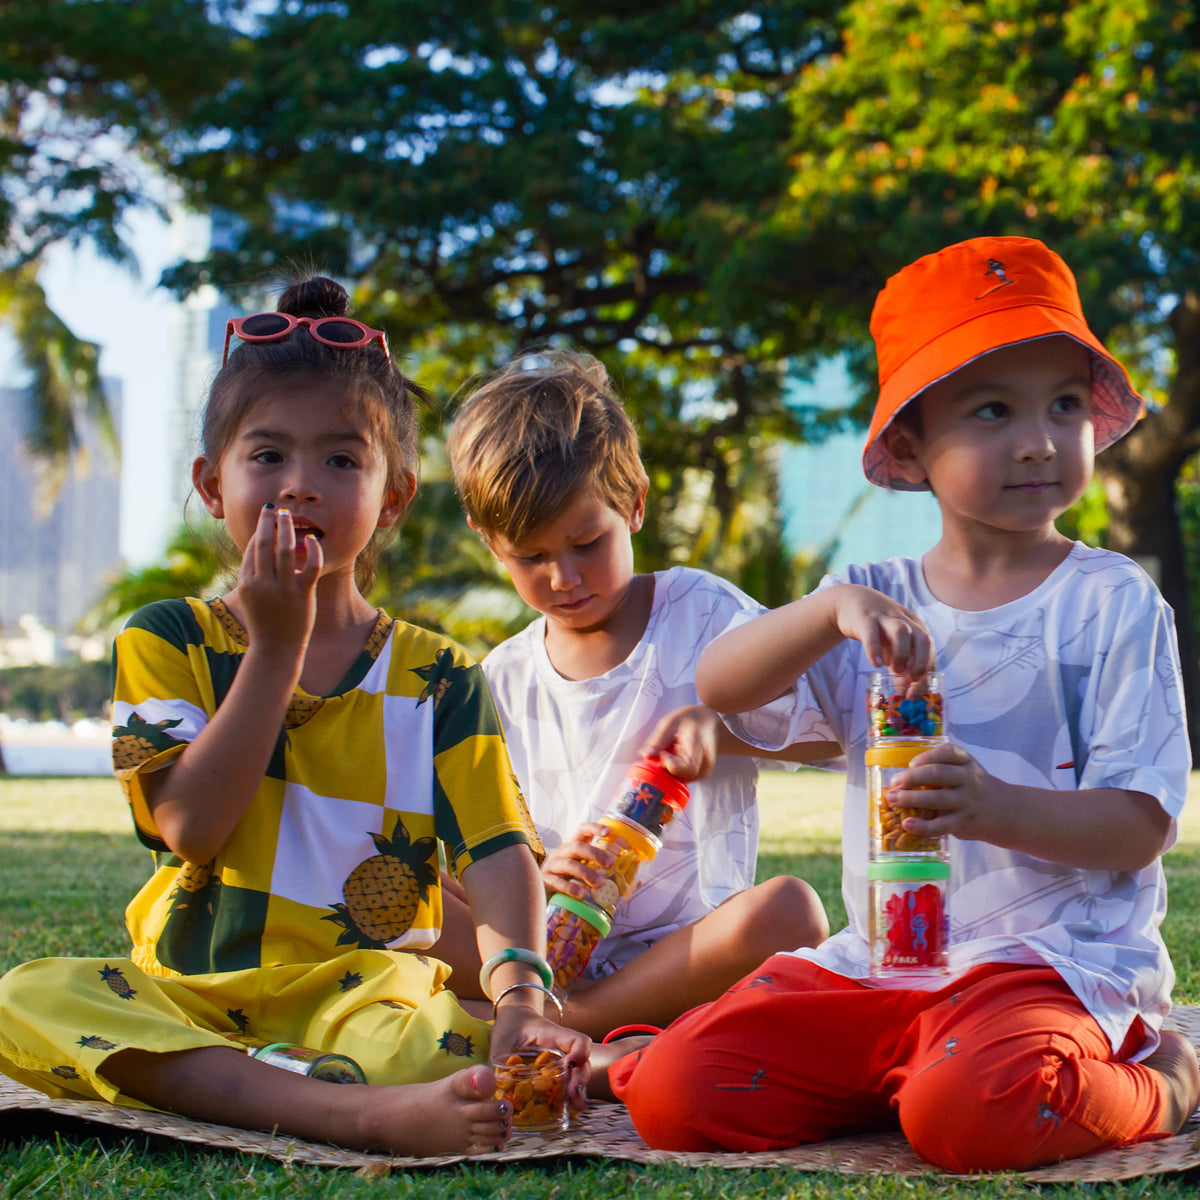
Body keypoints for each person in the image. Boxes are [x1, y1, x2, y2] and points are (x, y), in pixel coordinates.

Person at [609, 235, 1200, 1172]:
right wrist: (829, 609)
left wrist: (995, 808)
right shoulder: (869, 601)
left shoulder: (1111, 601)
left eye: (1063, 405)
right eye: (994, 410)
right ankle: (909, 1072)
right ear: (914, 444)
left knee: (967, 1120)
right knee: (677, 1094)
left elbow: (1139, 826)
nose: (1040, 439)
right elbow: (721, 686)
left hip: (1045, 968)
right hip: (883, 964)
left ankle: (1162, 1078)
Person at [0, 277, 593, 1157]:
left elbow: (499, 850)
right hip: (192, 989)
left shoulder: (438, 674)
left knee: (443, 1045)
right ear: (212, 484)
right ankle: (348, 1114)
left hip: (368, 994)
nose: (300, 487)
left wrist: (519, 996)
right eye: (267, 456)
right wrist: (275, 647)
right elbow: (189, 828)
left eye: (342, 461)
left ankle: (314, 1084)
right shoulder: (169, 638)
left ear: (392, 497)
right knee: (29, 997)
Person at [442, 350, 831, 1041]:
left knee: (791, 912)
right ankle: (540, 1010)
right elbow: (488, 853)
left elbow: (837, 733)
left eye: (587, 542)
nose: (563, 576)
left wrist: (725, 731)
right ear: (488, 545)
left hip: (685, 955)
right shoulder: (501, 679)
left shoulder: (702, 615)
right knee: (386, 884)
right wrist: (541, 873)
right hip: (547, 952)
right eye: (530, 557)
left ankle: (567, 1025)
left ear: (635, 503)